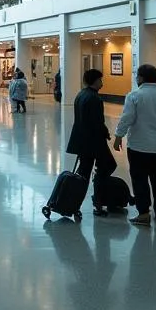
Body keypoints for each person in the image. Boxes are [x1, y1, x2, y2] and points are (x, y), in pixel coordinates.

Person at [113, 63, 156, 225]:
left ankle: (143, 213)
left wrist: (118, 136)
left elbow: (127, 118)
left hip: (139, 146)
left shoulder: (134, 95)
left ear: (141, 78)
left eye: (137, 76)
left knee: (140, 179)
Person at [66, 68, 117, 216]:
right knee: (106, 167)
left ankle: (75, 204)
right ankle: (98, 201)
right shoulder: (94, 98)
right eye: (100, 80)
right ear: (95, 81)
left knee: (84, 173)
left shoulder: (81, 95)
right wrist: (106, 133)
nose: (102, 83)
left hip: (82, 141)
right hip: (94, 142)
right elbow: (97, 122)